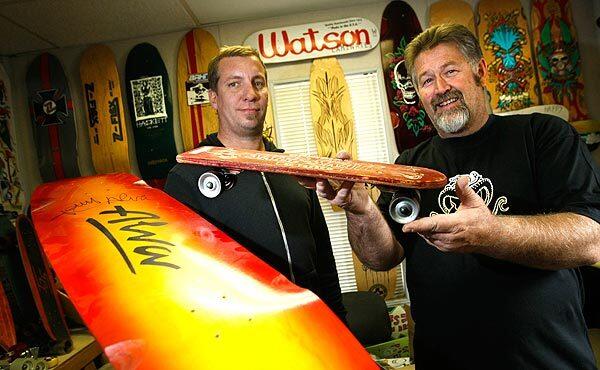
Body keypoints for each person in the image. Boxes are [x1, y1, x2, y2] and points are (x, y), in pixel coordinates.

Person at [315, 24, 600, 369]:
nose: (440, 88)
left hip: (547, 359)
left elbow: (590, 238)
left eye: (450, 71)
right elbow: (381, 257)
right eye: (427, 80)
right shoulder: (409, 166)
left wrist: (491, 234)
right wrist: (359, 209)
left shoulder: (543, 136)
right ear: (419, 93)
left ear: (480, 71)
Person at [164, 46, 346, 321]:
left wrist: (341, 329)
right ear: (213, 98)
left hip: (315, 331)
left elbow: (325, 264)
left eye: (257, 83)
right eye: (234, 83)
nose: (250, 93)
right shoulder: (187, 177)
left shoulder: (294, 170)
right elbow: (187, 283)